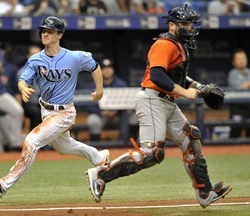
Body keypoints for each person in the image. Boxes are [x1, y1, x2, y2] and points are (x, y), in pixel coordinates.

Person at [85, 4, 232, 208]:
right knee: (152, 153)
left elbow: (178, 76)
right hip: (152, 100)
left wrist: (199, 86)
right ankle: (101, 173)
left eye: (190, 24)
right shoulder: (165, 44)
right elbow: (157, 75)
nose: (189, 28)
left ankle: (205, 192)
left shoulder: (180, 45)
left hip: (166, 102)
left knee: (191, 138)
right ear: (172, 25)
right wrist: (185, 92)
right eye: (185, 24)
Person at [0, 16, 110, 198]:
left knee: (31, 141)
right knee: (65, 147)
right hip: (46, 110)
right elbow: (23, 80)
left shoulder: (73, 57)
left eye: (50, 31)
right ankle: (99, 158)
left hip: (64, 112)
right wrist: (23, 87)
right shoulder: (36, 59)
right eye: (43, 31)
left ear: (60, 34)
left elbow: (95, 66)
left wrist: (99, 90)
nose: (45, 34)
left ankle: (3, 184)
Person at [86, 58, 127, 141]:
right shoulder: (93, 85)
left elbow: (127, 103)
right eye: (104, 68)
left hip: (118, 115)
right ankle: (96, 145)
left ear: (113, 70)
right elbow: (88, 104)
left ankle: (126, 143)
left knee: (131, 117)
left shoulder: (121, 84)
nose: (107, 70)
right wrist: (101, 112)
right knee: (93, 121)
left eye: (109, 68)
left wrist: (116, 111)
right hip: (100, 115)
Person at [16, 44, 42, 131]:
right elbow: (18, 94)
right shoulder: (22, 72)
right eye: (32, 54)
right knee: (37, 112)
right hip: (28, 104)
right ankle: (35, 141)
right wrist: (20, 111)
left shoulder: (47, 70)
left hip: (43, 102)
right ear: (28, 56)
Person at [227, 48, 250, 138]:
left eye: (243, 58)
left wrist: (246, 85)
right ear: (234, 62)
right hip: (237, 108)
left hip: (249, 106)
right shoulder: (232, 74)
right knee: (235, 133)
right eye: (239, 59)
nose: (241, 61)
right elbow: (238, 87)